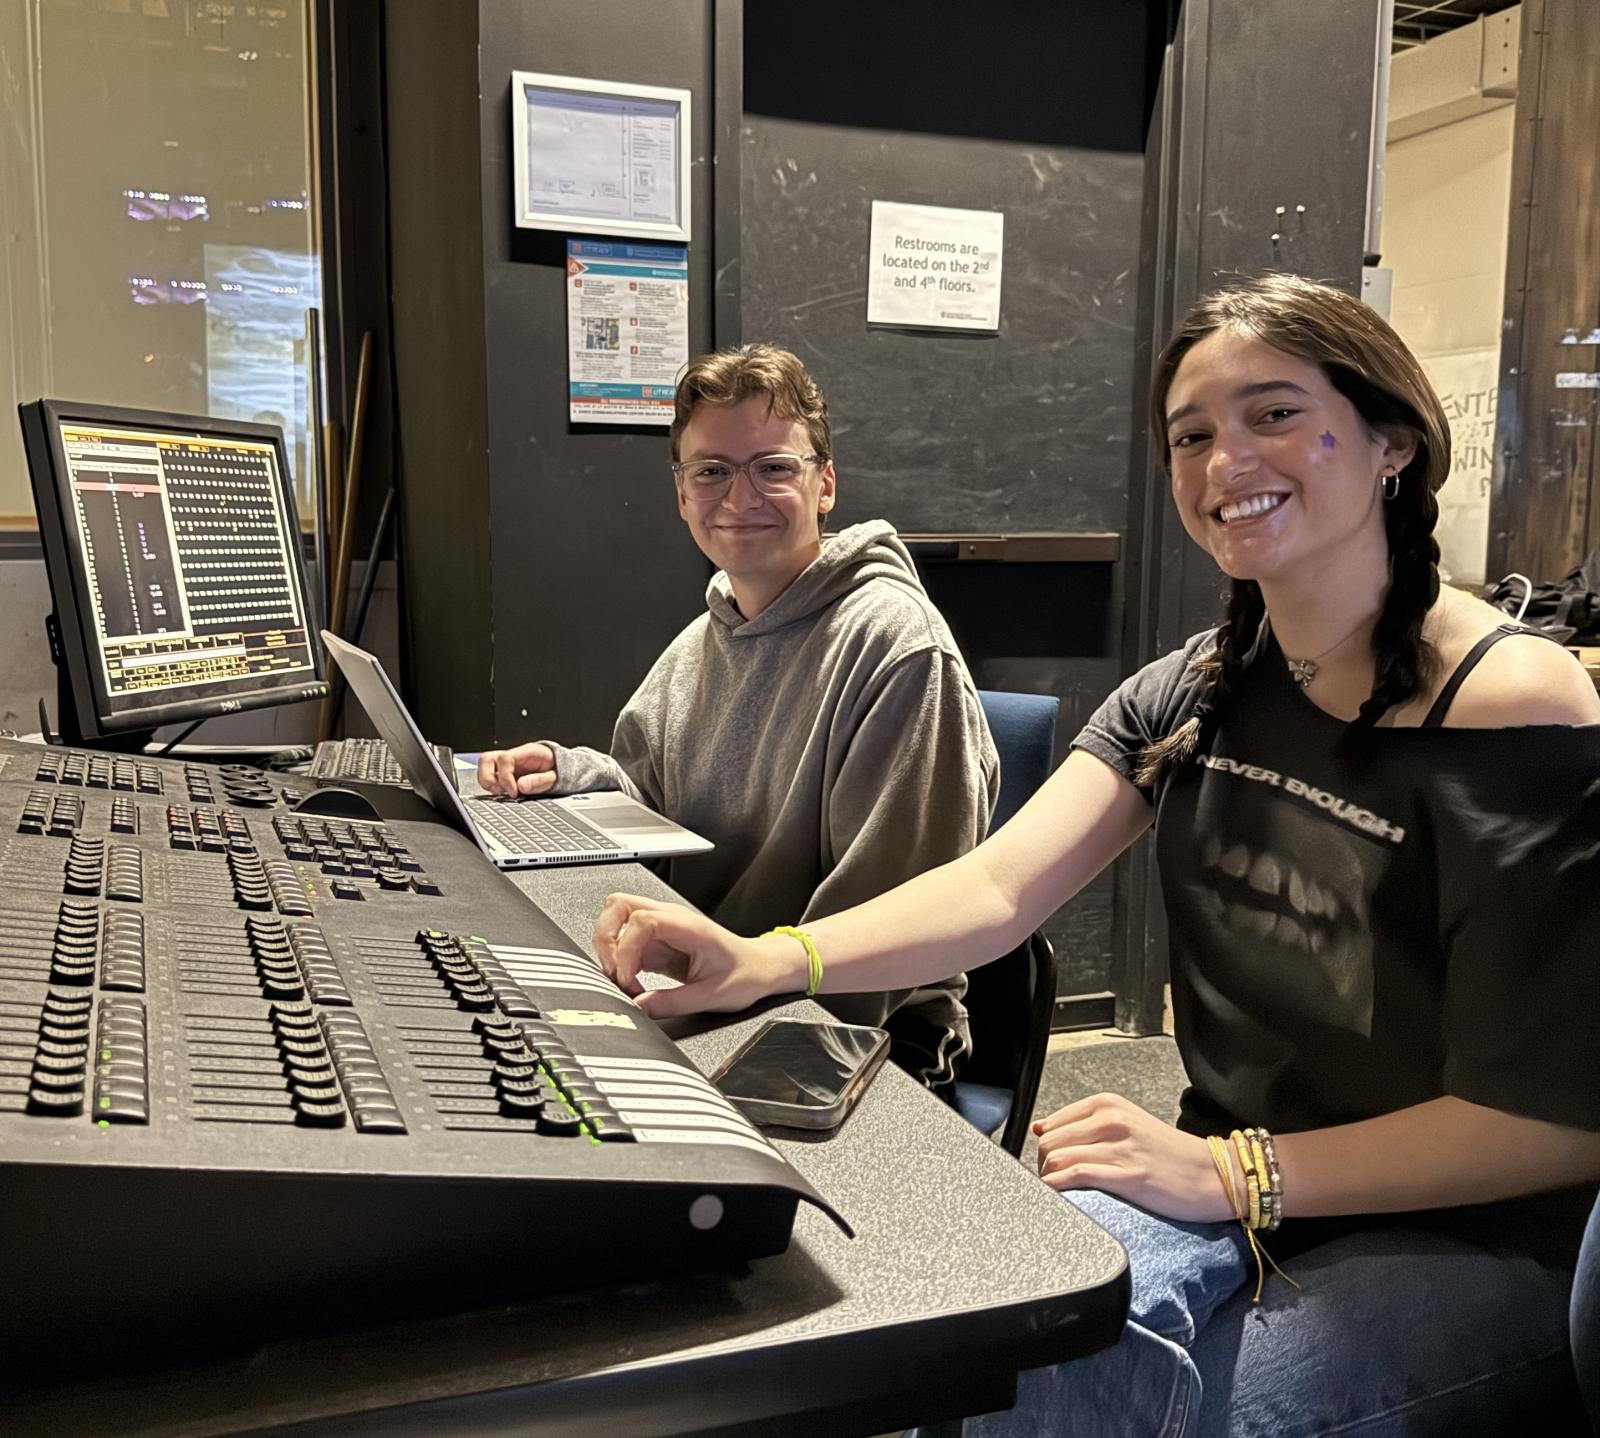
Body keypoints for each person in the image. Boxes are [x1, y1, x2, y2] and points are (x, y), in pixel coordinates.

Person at [592, 277, 1600, 1434]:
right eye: (1191, 434)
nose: (1225, 460)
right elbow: (995, 887)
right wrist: (766, 960)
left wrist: (1235, 1174)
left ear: (1389, 442)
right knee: (1014, 1345)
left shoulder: (1510, 700)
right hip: (1244, 1183)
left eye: (1271, 414)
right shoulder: (1192, 688)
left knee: (1110, 1398)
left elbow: (1554, 1122)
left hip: (1477, 1231)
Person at [479, 343, 998, 1092]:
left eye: (773, 468)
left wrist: (713, 1004)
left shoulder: (896, 649)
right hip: (720, 977)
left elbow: (890, 925)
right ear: (682, 494)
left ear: (825, 485)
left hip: (859, 1028)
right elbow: (657, 799)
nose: (738, 496)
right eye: (712, 471)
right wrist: (573, 772)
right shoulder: (708, 634)